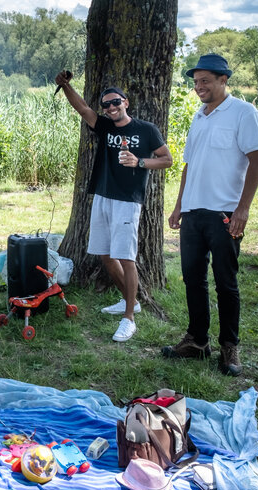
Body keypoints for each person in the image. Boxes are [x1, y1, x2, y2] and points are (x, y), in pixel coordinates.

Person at [163, 54, 258, 377]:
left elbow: (257, 161)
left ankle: (229, 347)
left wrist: (243, 208)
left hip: (225, 213)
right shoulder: (199, 117)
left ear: (224, 80)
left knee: (226, 282)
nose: (199, 87)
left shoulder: (243, 113)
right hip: (193, 212)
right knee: (193, 278)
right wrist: (180, 205)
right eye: (195, 82)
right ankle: (196, 340)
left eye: (205, 81)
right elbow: (188, 165)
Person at [55, 72, 173, 343]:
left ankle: (129, 318)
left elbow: (166, 160)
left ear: (126, 103)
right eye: (106, 105)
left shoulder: (146, 130)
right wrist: (65, 86)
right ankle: (128, 301)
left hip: (127, 200)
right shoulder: (105, 127)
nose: (111, 108)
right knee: (106, 255)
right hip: (102, 197)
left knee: (127, 258)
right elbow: (83, 108)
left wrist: (140, 162)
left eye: (115, 102)